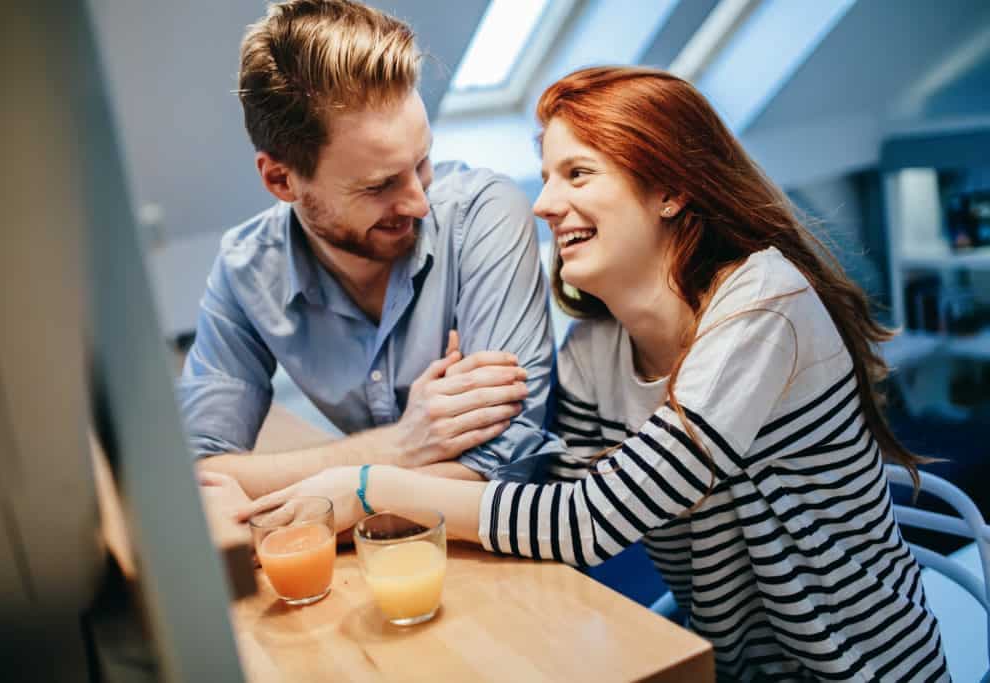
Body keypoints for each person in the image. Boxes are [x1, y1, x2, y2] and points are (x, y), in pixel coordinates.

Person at [237, 66, 950, 681]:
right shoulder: (592, 352)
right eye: (547, 176)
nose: (544, 203)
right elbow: (534, 502)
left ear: (670, 189)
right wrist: (421, 436)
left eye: (578, 173)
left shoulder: (763, 306)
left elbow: (587, 522)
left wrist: (369, 486)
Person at [180, 0, 565, 499]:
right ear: (281, 179)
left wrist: (333, 496)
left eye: (423, 161)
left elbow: (499, 471)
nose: (419, 203)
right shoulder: (244, 270)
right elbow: (199, 478)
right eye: (379, 186)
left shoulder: (485, 216)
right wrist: (396, 447)